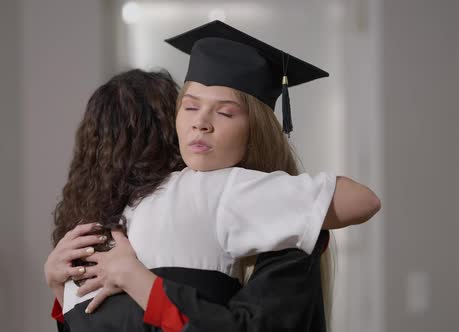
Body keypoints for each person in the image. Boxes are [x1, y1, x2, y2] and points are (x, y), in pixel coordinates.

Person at [45, 21, 381, 331]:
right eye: (189, 107)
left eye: (225, 111)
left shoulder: (285, 237)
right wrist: (65, 291)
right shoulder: (156, 206)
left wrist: (136, 280)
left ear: (256, 131)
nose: (200, 123)